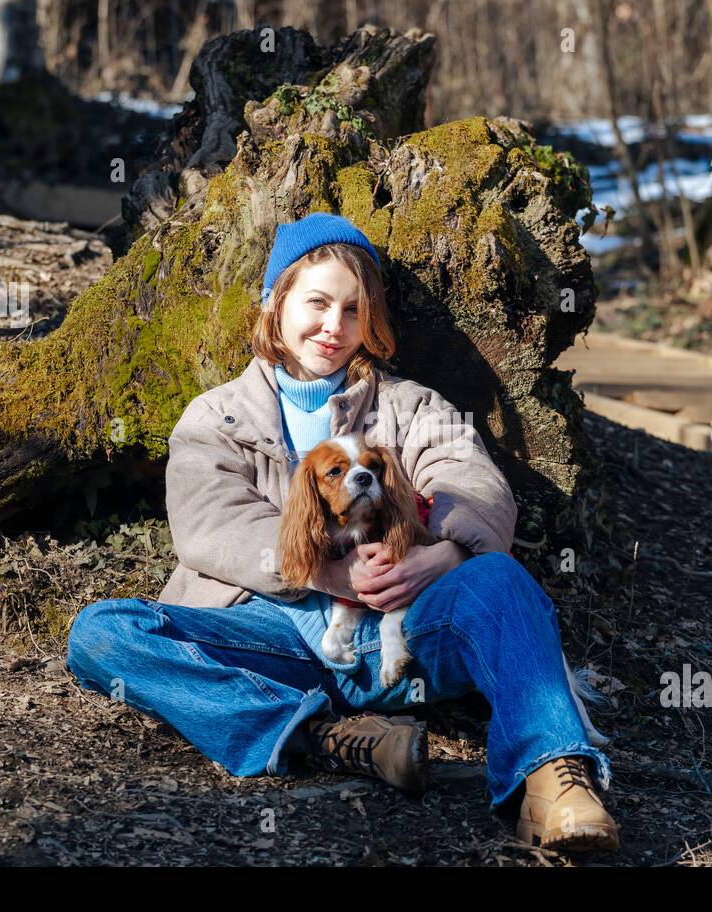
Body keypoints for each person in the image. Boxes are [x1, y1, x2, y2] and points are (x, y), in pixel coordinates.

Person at [66, 212, 618, 854]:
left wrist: (441, 553)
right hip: (272, 636)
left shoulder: (409, 406)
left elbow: (471, 478)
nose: (334, 326)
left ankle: (554, 779)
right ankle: (326, 737)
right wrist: (327, 570)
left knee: (497, 577)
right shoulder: (216, 417)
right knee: (104, 634)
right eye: (318, 303)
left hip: (405, 631)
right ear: (275, 304)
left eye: (353, 310)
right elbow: (208, 525)